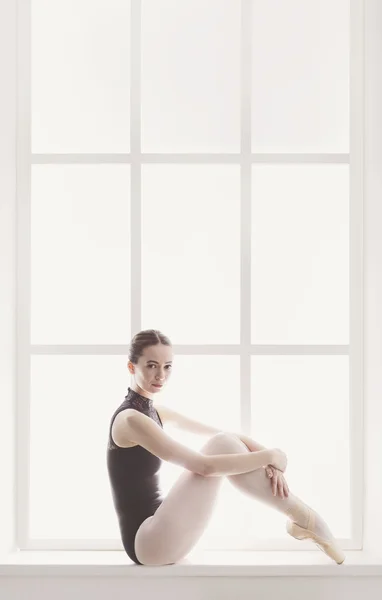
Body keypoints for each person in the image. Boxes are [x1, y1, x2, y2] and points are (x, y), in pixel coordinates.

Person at [106, 329, 345, 566]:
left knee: (225, 441)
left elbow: (226, 436)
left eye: (167, 366)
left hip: (163, 532)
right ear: (131, 367)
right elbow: (205, 466)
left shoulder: (154, 412)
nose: (161, 375)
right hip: (148, 543)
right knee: (221, 446)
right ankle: (305, 518)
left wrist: (272, 461)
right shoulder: (131, 420)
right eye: (151, 365)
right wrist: (269, 455)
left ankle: (304, 519)